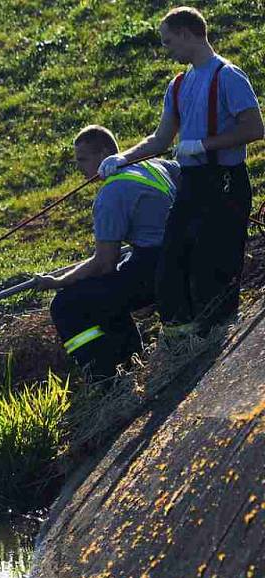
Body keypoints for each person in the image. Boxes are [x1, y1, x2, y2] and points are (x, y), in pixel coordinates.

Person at [99, 6, 264, 333]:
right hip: (191, 183)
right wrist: (123, 158)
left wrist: (203, 144)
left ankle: (215, 334)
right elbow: (160, 139)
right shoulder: (177, 85)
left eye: (168, 41)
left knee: (213, 260)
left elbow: (255, 128)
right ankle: (182, 338)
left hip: (225, 182)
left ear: (188, 35)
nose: (166, 48)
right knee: (172, 259)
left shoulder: (227, 76)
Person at [36, 125, 179, 377]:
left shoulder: (112, 193)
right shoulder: (152, 165)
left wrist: (57, 281)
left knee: (67, 305)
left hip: (157, 267)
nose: (79, 167)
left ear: (103, 154)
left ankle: (105, 377)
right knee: (107, 291)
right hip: (182, 254)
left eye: (83, 159)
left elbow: (104, 263)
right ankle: (132, 359)